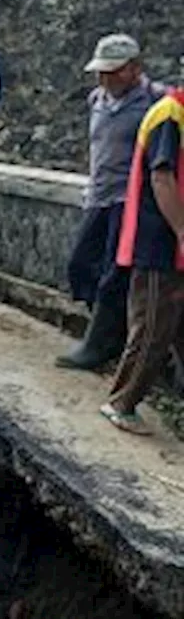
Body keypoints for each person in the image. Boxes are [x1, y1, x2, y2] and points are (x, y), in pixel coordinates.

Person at [57, 35, 171, 370]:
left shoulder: (155, 101)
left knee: (114, 273)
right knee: (80, 265)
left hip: (131, 199)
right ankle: (109, 331)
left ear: (134, 68)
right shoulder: (98, 99)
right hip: (99, 195)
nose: (104, 78)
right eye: (101, 72)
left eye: (113, 71)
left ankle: (99, 345)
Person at [100, 88, 184, 435]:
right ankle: (122, 402)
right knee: (152, 327)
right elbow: (161, 176)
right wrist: (182, 230)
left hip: (171, 240)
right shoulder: (170, 114)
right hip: (158, 241)